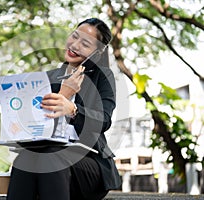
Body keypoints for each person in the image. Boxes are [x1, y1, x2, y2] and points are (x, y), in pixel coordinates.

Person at [7, 18, 121, 200]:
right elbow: (36, 122)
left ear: (97, 53)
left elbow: (104, 120)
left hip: (88, 164)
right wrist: (63, 93)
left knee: (51, 158)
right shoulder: (48, 78)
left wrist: (73, 109)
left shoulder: (103, 77)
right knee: (24, 160)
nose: (75, 45)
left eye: (85, 43)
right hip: (47, 155)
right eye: (74, 37)